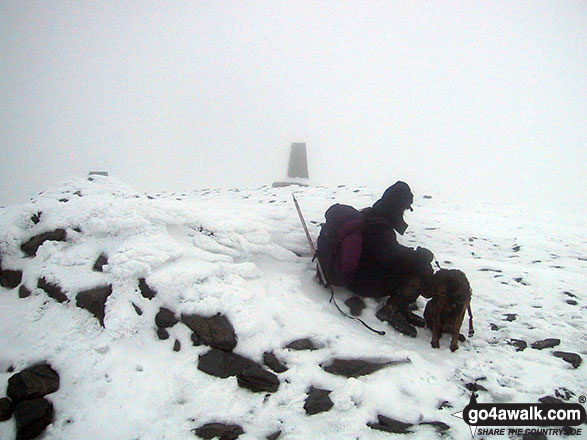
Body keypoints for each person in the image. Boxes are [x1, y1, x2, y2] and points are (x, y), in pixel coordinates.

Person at [346, 181, 434, 336]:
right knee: (423, 269)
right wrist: (418, 258)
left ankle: (400, 308)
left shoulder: (371, 215)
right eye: (404, 208)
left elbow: (388, 251)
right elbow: (389, 258)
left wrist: (412, 253)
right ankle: (392, 309)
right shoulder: (380, 226)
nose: (404, 212)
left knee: (416, 262)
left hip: (358, 275)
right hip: (365, 283)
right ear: (397, 206)